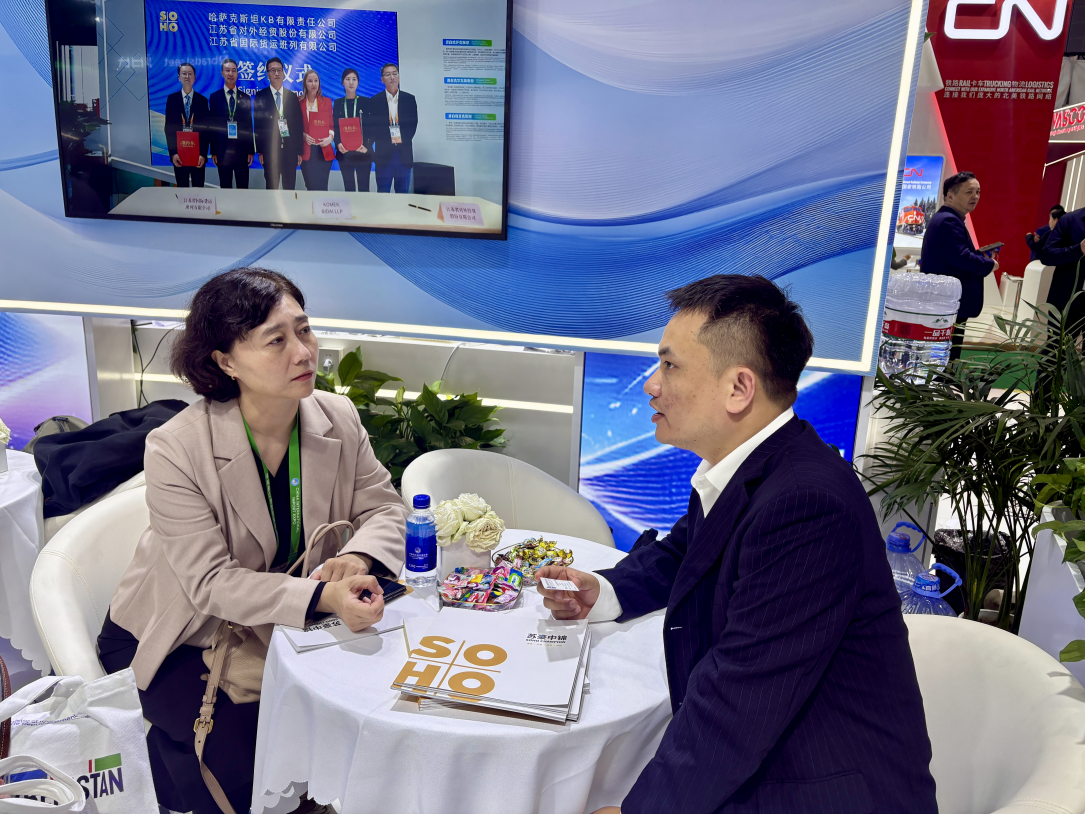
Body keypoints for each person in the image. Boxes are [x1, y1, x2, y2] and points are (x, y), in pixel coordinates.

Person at [537, 275, 938, 814]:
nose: (652, 385)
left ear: (739, 388)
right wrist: (604, 591)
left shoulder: (807, 506)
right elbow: (687, 552)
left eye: (670, 366)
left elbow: (740, 698)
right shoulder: (752, 466)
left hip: (817, 788)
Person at [97, 268, 407, 814]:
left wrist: (358, 555)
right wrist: (321, 597)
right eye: (275, 340)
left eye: (304, 330)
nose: (303, 352)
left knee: (364, 720)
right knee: (255, 759)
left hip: (277, 624)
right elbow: (210, 584)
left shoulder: (336, 416)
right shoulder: (177, 448)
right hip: (177, 633)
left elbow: (383, 506)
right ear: (226, 361)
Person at [919, 171, 999, 360]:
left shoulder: (949, 218)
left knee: (946, 354)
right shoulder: (948, 221)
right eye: (969, 192)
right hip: (948, 302)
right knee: (945, 356)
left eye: (978, 192)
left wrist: (978, 255)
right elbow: (961, 257)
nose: (975, 197)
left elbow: (954, 254)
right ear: (950, 196)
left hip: (947, 302)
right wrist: (989, 264)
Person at [253, 58, 304, 190]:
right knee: (271, 187)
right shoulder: (261, 96)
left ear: (283, 73)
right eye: (273, 70)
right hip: (270, 152)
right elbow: (258, 126)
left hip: (290, 151)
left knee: (289, 188)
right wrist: (261, 151)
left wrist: (299, 151)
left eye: (279, 70)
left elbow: (298, 125)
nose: (276, 73)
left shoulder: (292, 96)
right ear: (267, 74)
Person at [207, 58, 255, 189]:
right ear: (222, 73)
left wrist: (250, 151)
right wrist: (214, 151)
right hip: (223, 151)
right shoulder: (215, 97)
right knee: (225, 187)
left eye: (233, 70)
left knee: (243, 188)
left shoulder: (245, 97)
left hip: (242, 151)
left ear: (237, 74)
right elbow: (212, 126)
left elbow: (248, 125)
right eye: (227, 70)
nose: (230, 73)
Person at [369, 63, 417, 194]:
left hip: (403, 154)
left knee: (403, 195)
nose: (392, 77)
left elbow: (412, 125)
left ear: (399, 77)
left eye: (395, 74)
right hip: (384, 155)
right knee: (383, 194)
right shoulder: (374, 101)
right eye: (388, 74)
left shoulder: (409, 99)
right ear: (382, 79)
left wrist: (399, 141)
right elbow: (373, 128)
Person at [1039, 204, 1085, 333]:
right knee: (1058, 345)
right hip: (1066, 302)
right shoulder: (1069, 220)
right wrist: (1078, 249)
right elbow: (1047, 255)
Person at [164, 63, 210, 187]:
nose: (187, 76)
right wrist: (173, 153)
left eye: (190, 74)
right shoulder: (172, 100)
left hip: (198, 156)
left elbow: (206, 130)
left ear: (195, 77)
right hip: (180, 155)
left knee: (198, 191)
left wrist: (203, 154)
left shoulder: (202, 101)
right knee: (182, 189)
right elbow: (169, 129)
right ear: (179, 77)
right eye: (184, 74)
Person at [333, 68, 371, 192]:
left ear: (358, 83)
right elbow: (335, 125)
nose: (351, 82)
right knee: (349, 189)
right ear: (342, 83)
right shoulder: (338, 103)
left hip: (362, 151)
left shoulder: (365, 102)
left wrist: (367, 145)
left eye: (354, 79)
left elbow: (371, 126)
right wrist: (338, 143)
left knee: (364, 189)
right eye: (348, 79)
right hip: (345, 152)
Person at [298, 69, 335, 192]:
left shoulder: (327, 102)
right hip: (307, 150)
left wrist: (330, 138)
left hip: (323, 149)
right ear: (305, 83)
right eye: (310, 81)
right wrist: (303, 135)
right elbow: (294, 125)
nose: (313, 84)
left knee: (322, 187)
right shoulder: (298, 102)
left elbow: (331, 125)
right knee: (310, 187)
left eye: (316, 81)